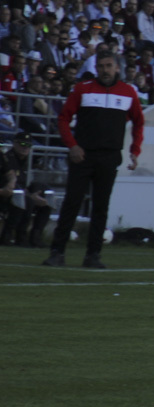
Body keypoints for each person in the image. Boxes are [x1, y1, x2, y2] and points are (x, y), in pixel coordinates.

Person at [42, 54, 144, 269]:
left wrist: (135, 150)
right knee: (72, 203)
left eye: (108, 66)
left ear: (117, 68)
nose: (104, 70)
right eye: (101, 66)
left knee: (101, 207)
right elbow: (63, 118)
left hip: (109, 156)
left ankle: (93, 255)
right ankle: (57, 252)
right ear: (96, 68)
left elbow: (139, 122)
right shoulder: (82, 89)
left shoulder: (128, 92)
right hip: (83, 154)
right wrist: (72, 145)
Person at [0, 131, 52, 247]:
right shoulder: (8, 158)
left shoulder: (26, 161)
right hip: (7, 195)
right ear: (14, 144)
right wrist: (29, 196)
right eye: (22, 144)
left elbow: (13, 177)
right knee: (26, 201)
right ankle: (15, 237)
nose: (25, 148)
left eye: (28, 145)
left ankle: (36, 237)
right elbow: (8, 183)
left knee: (47, 195)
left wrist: (34, 193)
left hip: (17, 192)